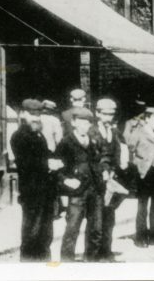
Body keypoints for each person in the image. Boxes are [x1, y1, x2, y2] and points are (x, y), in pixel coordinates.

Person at [10, 99, 63, 261]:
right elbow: (25, 163)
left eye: (39, 114)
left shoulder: (38, 135)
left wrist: (57, 159)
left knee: (45, 233)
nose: (36, 118)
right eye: (33, 114)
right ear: (23, 114)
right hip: (32, 192)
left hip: (45, 191)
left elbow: (47, 154)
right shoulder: (20, 136)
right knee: (32, 232)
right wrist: (48, 164)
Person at [56, 105, 106, 261]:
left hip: (95, 190)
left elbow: (99, 161)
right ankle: (66, 262)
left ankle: (91, 260)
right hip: (77, 192)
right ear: (74, 123)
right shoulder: (66, 142)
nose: (85, 126)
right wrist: (66, 180)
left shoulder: (93, 142)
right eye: (82, 122)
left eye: (88, 123)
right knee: (72, 229)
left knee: (96, 229)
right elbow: (57, 167)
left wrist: (103, 170)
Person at [90, 98, 128, 260]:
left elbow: (119, 151)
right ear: (97, 113)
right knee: (96, 220)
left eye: (111, 114)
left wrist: (119, 165)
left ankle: (106, 251)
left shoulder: (115, 132)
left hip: (111, 180)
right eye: (105, 114)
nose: (109, 118)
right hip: (96, 181)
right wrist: (103, 171)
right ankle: (93, 254)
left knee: (109, 218)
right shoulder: (92, 131)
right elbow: (93, 156)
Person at [126, 106, 154, 247]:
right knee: (143, 206)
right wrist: (137, 164)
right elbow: (130, 148)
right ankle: (140, 236)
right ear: (146, 119)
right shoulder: (138, 133)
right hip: (145, 173)